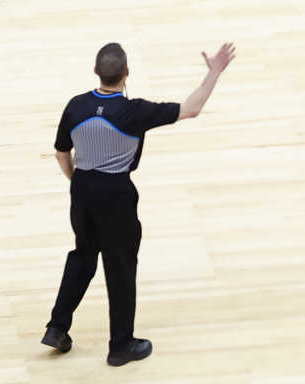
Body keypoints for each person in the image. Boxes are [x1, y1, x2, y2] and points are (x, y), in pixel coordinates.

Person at [42, 39, 236, 368]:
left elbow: (61, 151)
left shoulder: (75, 106)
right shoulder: (134, 112)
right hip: (116, 194)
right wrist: (214, 72)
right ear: (127, 73)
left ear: (95, 73)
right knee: (119, 267)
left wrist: (75, 179)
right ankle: (120, 347)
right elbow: (191, 109)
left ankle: (57, 327)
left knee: (83, 256)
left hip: (83, 190)